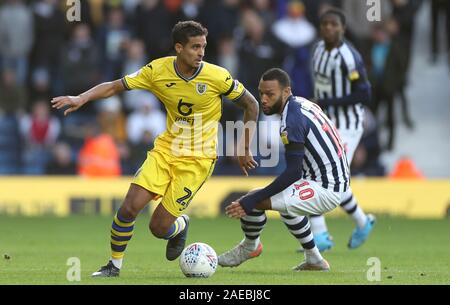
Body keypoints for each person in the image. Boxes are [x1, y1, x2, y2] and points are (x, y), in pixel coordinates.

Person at [51, 21, 259, 277]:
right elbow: (116, 86)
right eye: (195, 47)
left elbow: (252, 104)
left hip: (198, 160)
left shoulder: (217, 76)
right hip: (166, 150)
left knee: (158, 227)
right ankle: (113, 266)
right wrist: (81, 98)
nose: (201, 52)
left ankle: (179, 226)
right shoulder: (157, 70)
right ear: (179, 48)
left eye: (203, 46)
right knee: (129, 207)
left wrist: (244, 146)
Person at [219, 68, 349, 271]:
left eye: (270, 94)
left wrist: (252, 200)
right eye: (261, 93)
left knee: (254, 199)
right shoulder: (302, 103)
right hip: (330, 179)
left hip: (326, 187)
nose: (263, 99)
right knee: (285, 202)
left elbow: (293, 173)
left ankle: (250, 246)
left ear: (286, 91)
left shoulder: (292, 119)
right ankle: (315, 260)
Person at [309, 9, 375, 251]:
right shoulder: (317, 50)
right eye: (324, 24)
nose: (328, 28)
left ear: (342, 28)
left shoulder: (349, 57)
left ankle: (321, 235)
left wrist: (328, 103)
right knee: (321, 173)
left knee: (323, 175)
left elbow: (364, 93)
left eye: (333, 24)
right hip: (327, 121)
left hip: (347, 125)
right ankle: (362, 221)